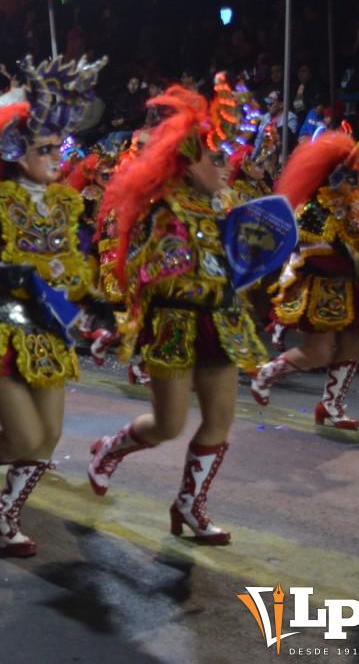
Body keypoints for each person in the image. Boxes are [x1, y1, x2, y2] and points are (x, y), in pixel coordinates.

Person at [0, 55, 110, 557]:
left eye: (59, 147)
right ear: (16, 151)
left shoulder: (63, 204)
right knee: (22, 437)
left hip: (47, 333)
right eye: (44, 148)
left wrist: (92, 299)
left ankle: (5, 516)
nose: (56, 157)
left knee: (48, 438)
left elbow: (67, 269)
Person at [87, 85, 268, 544]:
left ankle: (189, 504)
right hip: (175, 325)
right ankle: (110, 448)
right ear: (187, 162)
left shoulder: (227, 207)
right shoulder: (163, 209)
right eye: (215, 159)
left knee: (220, 419)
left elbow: (243, 266)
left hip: (221, 321)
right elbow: (147, 273)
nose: (226, 167)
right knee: (168, 424)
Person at [250, 131, 359, 429]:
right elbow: (311, 248)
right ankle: (265, 374)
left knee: (354, 341)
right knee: (317, 352)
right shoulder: (313, 208)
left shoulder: (355, 204)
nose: (356, 179)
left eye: (356, 172)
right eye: (348, 173)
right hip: (322, 286)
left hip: (354, 285)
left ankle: (331, 404)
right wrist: (351, 258)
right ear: (330, 174)